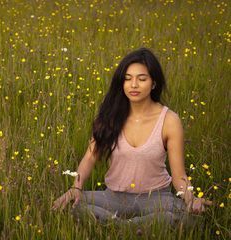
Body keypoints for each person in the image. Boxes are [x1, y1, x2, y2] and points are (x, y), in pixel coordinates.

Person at [51, 47, 212, 226]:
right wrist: (75, 187)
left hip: (156, 199)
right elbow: (90, 157)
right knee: (72, 205)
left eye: (141, 79)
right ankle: (133, 227)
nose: (133, 85)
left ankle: (116, 226)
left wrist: (191, 200)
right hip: (113, 197)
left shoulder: (170, 120)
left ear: (153, 83)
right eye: (128, 79)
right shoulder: (110, 116)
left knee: (191, 219)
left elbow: (179, 175)